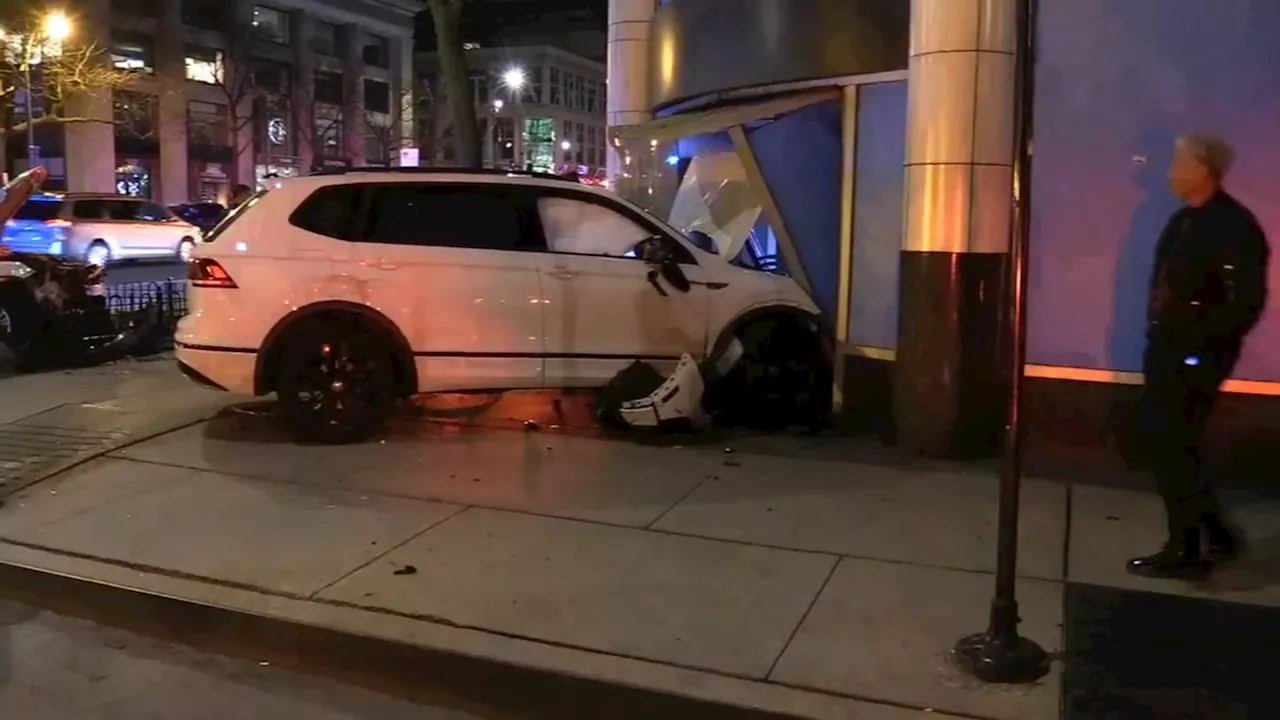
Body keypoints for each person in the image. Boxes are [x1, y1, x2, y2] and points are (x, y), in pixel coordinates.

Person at [1128, 133, 1270, 579]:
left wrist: (1199, 347)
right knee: (1178, 444)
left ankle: (1186, 548)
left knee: (1174, 445)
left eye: (1178, 161)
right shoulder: (1184, 221)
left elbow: (1243, 302)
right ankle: (1215, 534)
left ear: (1203, 168)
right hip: (1171, 350)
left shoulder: (1232, 227)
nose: (1170, 170)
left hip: (1195, 357)